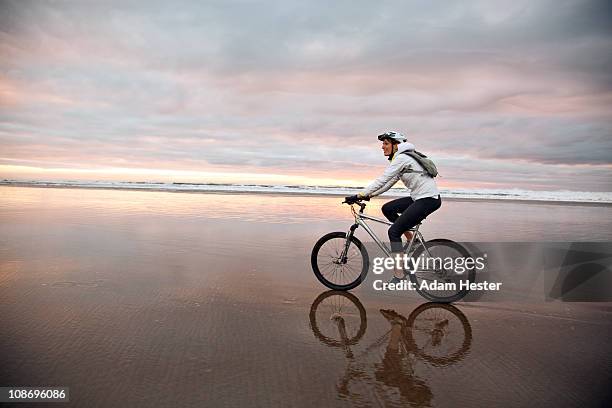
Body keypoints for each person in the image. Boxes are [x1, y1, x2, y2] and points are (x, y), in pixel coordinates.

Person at [345, 131, 441, 283]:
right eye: (383, 144)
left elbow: (381, 180)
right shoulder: (404, 157)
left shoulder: (402, 158)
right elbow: (388, 183)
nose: (382, 147)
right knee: (388, 209)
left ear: (397, 145)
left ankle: (399, 274)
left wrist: (359, 195)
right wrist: (369, 195)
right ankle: (411, 239)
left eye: (386, 143)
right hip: (420, 198)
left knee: (394, 232)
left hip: (427, 200)